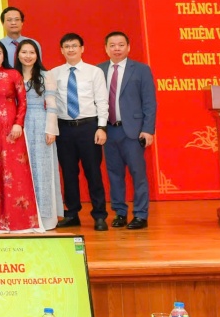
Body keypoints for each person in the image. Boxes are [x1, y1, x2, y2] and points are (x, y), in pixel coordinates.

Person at [0, 40, 40, 232]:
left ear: (4, 56)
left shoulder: (13, 74)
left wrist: (18, 124)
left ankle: (21, 221)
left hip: (12, 131)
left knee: (15, 173)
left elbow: (22, 102)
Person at [49, 33, 109, 231]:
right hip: (64, 129)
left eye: (74, 46)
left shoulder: (94, 72)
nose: (71, 49)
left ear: (82, 48)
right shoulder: (54, 73)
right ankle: (72, 213)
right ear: (61, 50)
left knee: (93, 172)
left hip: (88, 127)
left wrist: (101, 127)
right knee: (68, 173)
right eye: (67, 46)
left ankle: (99, 215)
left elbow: (102, 101)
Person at [99, 32, 157, 230]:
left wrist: (148, 130)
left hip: (133, 131)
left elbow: (149, 102)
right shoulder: (98, 70)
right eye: (112, 45)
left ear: (128, 47)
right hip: (108, 130)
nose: (117, 48)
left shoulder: (141, 70)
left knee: (138, 174)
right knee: (114, 174)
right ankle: (120, 213)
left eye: (121, 44)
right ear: (106, 48)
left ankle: (140, 214)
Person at [17, 40, 62, 231]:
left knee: (43, 170)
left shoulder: (46, 75)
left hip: (41, 123)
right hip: (19, 125)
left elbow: (52, 105)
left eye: (32, 52)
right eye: (24, 52)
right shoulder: (13, 74)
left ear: (37, 55)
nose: (28, 56)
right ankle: (24, 215)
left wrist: (51, 129)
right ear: (18, 54)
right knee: (22, 169)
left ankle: (45, 217)